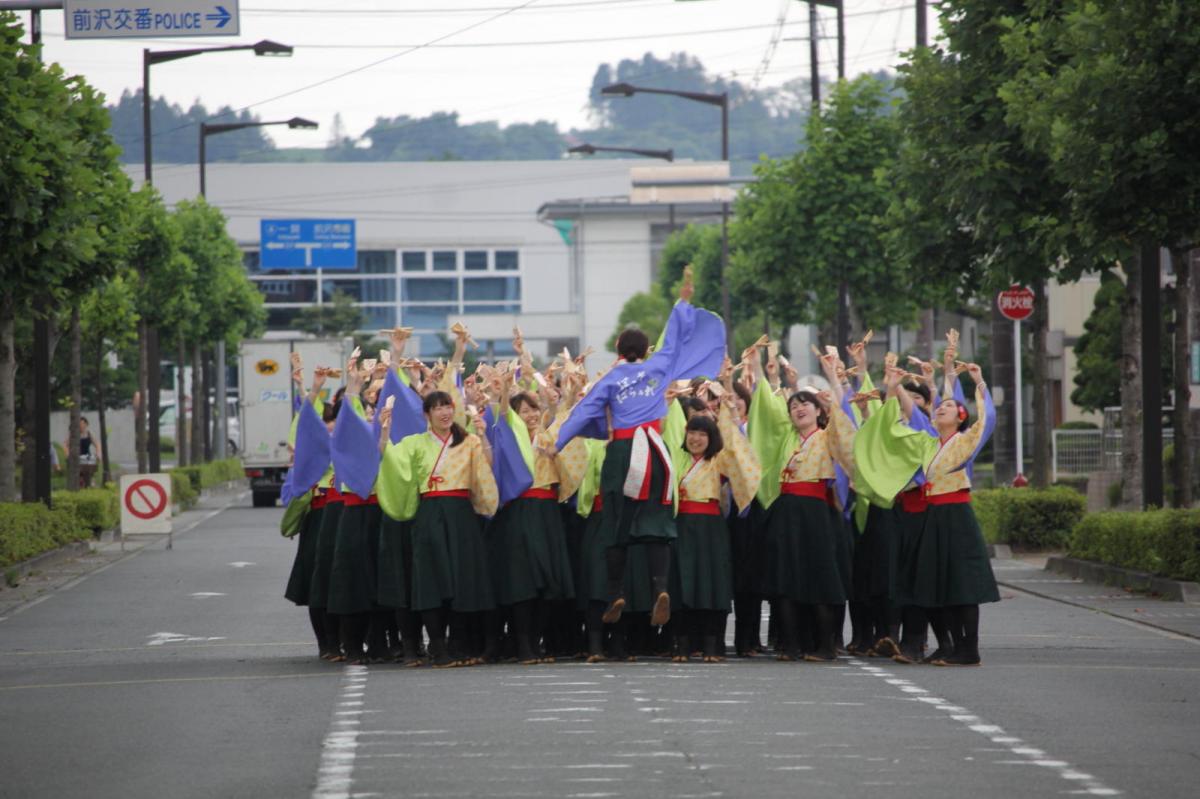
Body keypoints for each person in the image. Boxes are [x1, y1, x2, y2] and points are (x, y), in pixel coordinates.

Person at [554, 270, 726, 633]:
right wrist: (683, 302)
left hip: (623, 452)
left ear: (618, 351)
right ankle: (660, 588)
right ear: (645, 350)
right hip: (656, 453)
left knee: (617, 525)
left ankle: (616, 591)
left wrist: (556, 442)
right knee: (656, 522)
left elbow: (584, 412)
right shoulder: (658, 367)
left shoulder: (610, 380)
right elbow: (675, 340)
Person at [886, 360, 997, 666]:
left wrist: (979, 381)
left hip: (955, 513)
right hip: (933, 514)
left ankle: (968, 647)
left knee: (961, 583)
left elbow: (986, 419)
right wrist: (894, 386)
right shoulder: (929, 443)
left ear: (961, 417)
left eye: (948, 407)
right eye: (939, 407)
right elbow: (909, 423)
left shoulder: (964, 440)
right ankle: (950, 646)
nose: (941, 409)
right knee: (937, 583)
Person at [378, 389, 499, 667]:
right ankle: (438, 645)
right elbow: (390, 459)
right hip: (430, 512)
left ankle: (456, 644)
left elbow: (486, 467)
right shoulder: (415, 442)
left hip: (461, 514)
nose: (444, 412)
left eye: (448, 406)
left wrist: (482, 436)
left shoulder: (467, 441)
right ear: (427, 414)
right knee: (432, 579)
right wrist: (384, 431)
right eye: (437, 408)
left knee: (461, 579)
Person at [749, 349, 856, 662]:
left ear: (819, 410)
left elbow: (844, 422)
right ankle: (792, 644)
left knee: (819, 579)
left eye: (804, 404)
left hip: (816, 514)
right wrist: (761, 372)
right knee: (785, 579)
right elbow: (767, 415)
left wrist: (834, 377)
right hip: (786, 512)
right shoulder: (787, 439)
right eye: (794, 405)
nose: (798, 409)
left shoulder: (826, 436)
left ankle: (825, 645)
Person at [668, 360, 761, 662]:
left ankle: (712, 646)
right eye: (691, 433)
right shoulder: (678, 460)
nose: (695, 438)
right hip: (683, 526)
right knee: (683, 585)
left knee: (711, 585)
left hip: (710, 528)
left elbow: (734, 446)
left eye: (702, 435)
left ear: (711, 440)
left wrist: (728, 395)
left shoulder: (718, 461)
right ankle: (682, 645)